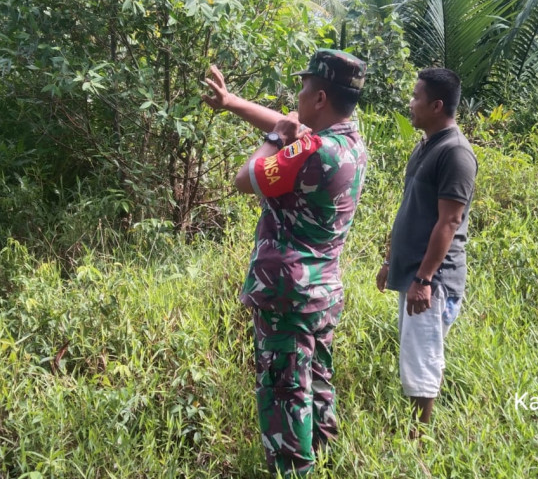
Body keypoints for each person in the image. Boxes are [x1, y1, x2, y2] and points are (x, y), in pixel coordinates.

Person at [203, 49, 368, 476]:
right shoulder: (349, 144)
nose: (297, 94)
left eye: (304, 87)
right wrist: (233, 103)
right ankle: (328, 461)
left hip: (287, 299)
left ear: (319, 99)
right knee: (315, 388)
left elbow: (245, 178)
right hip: (321, 294)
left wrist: (276, 138)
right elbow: (292, 124)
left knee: (284, 397)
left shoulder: (311, 153)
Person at [375, 67, 477, 434]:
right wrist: (390, 261)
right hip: (414, 273)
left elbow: (448, 223)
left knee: (422, 363)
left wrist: (424, 278)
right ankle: (412, 431)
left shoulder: (455, 154)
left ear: (437, 105)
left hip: (432, 281)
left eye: (416, 97)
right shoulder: (426, 146)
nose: (410, 102)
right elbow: (411, 210)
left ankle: (418, 442)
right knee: (413, 358)